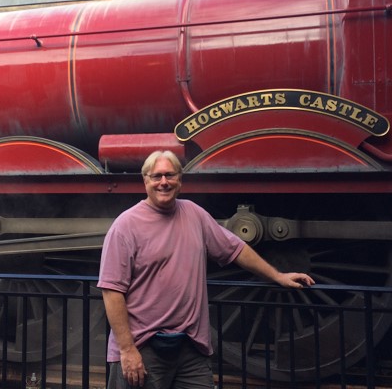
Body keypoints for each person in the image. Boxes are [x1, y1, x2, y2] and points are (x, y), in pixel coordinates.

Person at [97, 150, 315, 389]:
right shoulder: (125, 226)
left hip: (191, 346)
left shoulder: (194, 213)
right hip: (143, 346)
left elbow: (235, 249)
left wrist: (277, 275)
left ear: (180, 179)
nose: (164, 182)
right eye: (157, 176)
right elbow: (112, 291)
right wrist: (127, 349)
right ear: (145, 180)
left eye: (170, 175)